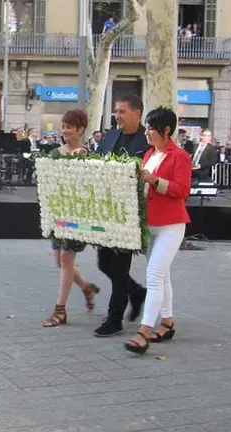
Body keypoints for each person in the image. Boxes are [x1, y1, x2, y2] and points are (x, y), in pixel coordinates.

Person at [125, 106, 191, 354]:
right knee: (161, 276)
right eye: (147, 128)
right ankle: (167, 321)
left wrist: (154, 181)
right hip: (151, 224)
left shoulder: (180, 156)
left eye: (151, 129)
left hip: (171, 225)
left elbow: (182, 191)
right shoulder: (150, 154)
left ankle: (143, 331)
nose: (147, 133)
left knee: (154, 276)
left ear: (166, 130)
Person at [93, 94, 149, 337]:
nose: (117, 115)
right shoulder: (111, 136)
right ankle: (136, 292)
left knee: (119, 265)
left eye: (123, 111)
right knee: (104, 263)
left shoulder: (146, 140)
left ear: (137, 113)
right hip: (106, 208)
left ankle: (114, 318)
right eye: (116, 111)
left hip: (129, 211)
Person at [42, 109, 100, 328]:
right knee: (59, 260)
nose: (64, 130)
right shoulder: (56, 153)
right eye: (63, 126)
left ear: (80, 129)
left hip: (77, 215)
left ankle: (60, 310)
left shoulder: (84, 154)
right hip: (58, 213)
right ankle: (86, 287)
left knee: (66, 260)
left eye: (69, 127)